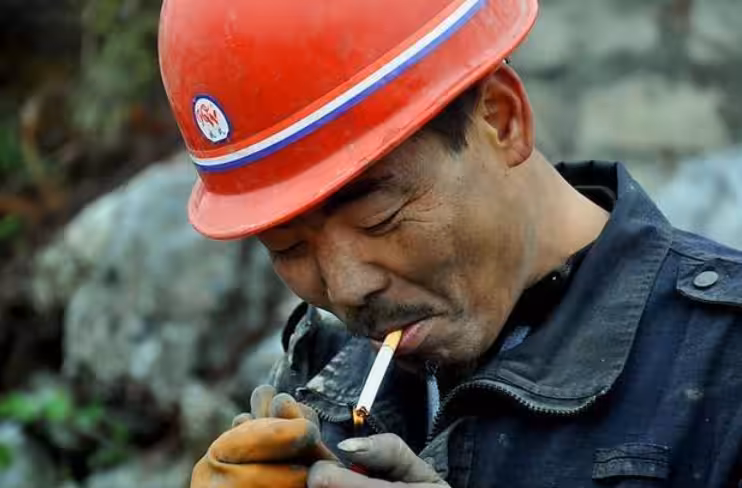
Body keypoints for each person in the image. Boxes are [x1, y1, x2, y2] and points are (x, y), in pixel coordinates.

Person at [158, 0, 742, 486]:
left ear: (501, 119)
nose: (348, 289)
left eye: (379, 217)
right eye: (288, 248)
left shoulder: (723, 364)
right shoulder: (322, 367)